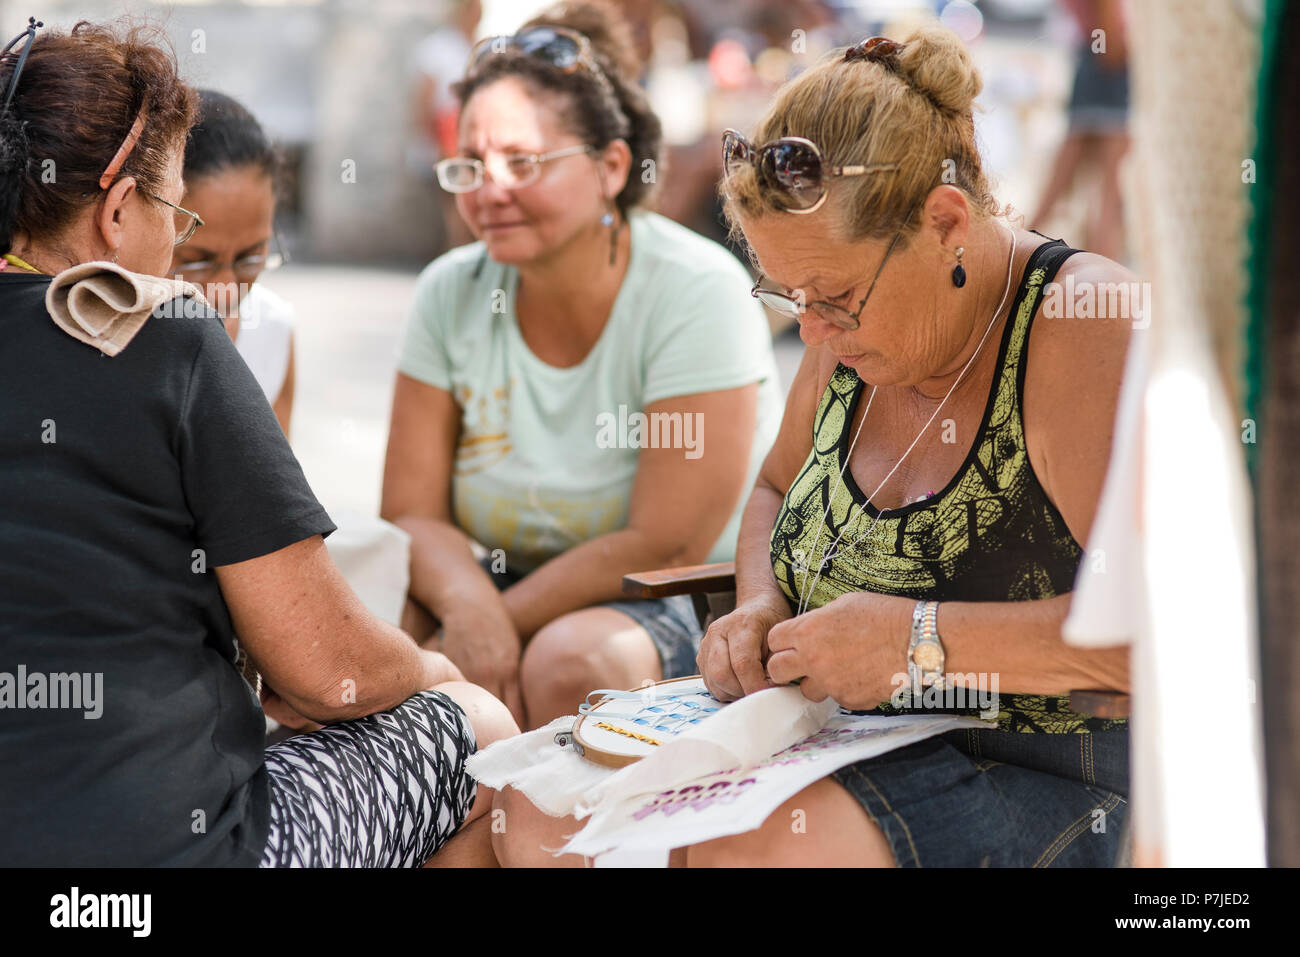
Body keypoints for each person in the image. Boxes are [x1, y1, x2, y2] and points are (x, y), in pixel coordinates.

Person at [495, 26, 1135, 867]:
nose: (811, 327)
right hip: (830, 734)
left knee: (749, 854)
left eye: (833, 294)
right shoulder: (843, 327)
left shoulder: (1083, 323)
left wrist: (919, 641)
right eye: (786, 293)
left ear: (946, 221)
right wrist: (759, 601)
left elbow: (1152, 638)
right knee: (528, 819)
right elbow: (769, 487)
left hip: (1035, 762)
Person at [0, 19, 514, 868]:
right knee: (479, 729)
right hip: (166, 856)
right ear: (121, 209)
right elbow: (324, 666)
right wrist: (429, 669)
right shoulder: (161, 333)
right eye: (175, 212)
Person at [383, 0, 782, 730]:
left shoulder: (694, 289)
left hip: (676, 595)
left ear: (611, 167)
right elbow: (410, 510)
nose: (487, 189)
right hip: (504, 583)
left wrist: (495, 619)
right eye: (469, 164)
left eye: (521, 161)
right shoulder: (451, 289)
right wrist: (473, 607)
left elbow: (663, 538)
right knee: (372, 633)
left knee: (569, 662)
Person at [172, 89, 295, 436]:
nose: (225, 289)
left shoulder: (272, 330)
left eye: (250, 257)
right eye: (197, 262)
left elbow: (273, 486)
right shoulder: (100, 334)